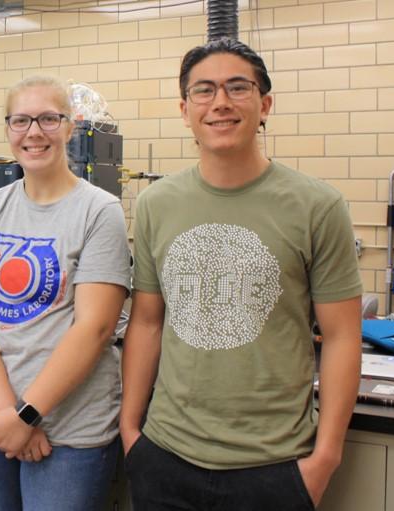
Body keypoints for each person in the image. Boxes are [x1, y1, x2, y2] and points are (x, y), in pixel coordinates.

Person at [120, 38, 362, 511]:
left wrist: (326, 457)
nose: (221, 103)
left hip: (274, 466)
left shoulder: (318, 206)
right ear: (185, 109)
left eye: (238, 87)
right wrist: (132, 432)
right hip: (166, 456)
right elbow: (146, 322)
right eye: (204, 91)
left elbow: (341, 337)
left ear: (265, 103)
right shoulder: (155, 204)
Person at [0, 75, 132, 510]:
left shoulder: (99, 211)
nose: (34, 132)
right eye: (21, 120)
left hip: (70, 433)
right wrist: (6, 416)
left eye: (49, 119)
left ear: (71, 127)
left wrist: (28, 415)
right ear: (8, 129)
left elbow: (94, 327)